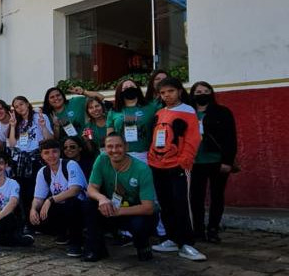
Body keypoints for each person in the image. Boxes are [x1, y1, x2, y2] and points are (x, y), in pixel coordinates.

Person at [148, 78, 205, 261]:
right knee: (166, 204)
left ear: (179, 91)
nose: (166, 96)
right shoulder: (159, 112)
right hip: (158, 165)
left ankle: (187, 243)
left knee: (182, 204)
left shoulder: (188, 112)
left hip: (178, 166)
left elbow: (193, 139)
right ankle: (172, 238)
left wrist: (184, 161)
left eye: (170, 91)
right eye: (163, 93)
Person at [84, 133, 157, 262]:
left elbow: (148, 207)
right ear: (105, 148)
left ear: (126, 147)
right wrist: (101, 198)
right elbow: (91, 188)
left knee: (141, 224)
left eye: (118, 146)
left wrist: (118, 211)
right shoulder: (101, 159)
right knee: (89, 204)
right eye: (110, 147)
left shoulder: (142, 169)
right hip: (111, 207)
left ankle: (142, 244)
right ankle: (96, 249)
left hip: (134, 211)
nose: (114, 150)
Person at [189, 81, 237, 243]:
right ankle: (198, 230)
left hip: (217, 161)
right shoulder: (188, 113)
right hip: (194, 161)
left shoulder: (222, 112)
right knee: (196, 197)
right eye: (198, 91)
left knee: (217, 196)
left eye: (205, 90)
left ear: (211, 92)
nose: (201, 93)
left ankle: (213, 229)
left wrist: (228, 161)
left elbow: (231, 138)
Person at [30, 139, 88, 258]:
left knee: (71, 203)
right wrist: (33, 209)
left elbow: (75, 190)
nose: (51, 156)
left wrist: (50, 200)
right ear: (41, 155)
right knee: (38, 211)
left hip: (80, 206)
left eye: (54, 152)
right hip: (60, 205)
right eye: (46, 152)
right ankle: (62, 233)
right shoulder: (43, 171)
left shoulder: (70, 165)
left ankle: (76, 242)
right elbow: (38, 197)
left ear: (59, 152)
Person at [7, 95, 53, 239]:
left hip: (36, 158)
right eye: (16, 106)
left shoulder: (40, 117)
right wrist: (13, 126)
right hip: (20, 159)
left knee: (38, 191)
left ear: (27, 103)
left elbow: (49, 138)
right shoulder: (17, 122)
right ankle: (29, 223)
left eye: (21, 104)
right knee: (24, 193)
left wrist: (43, 125)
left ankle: (41, 223)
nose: (20, 108)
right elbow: (13, 144)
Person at [107, 79, 157, 164]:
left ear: (137, 88)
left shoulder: (151, 107)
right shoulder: (114, 111)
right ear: (120, 91)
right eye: (125, 87)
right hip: (122, 155)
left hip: (145, 154)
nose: (129, 89)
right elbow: (109, 136)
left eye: (132, 86)